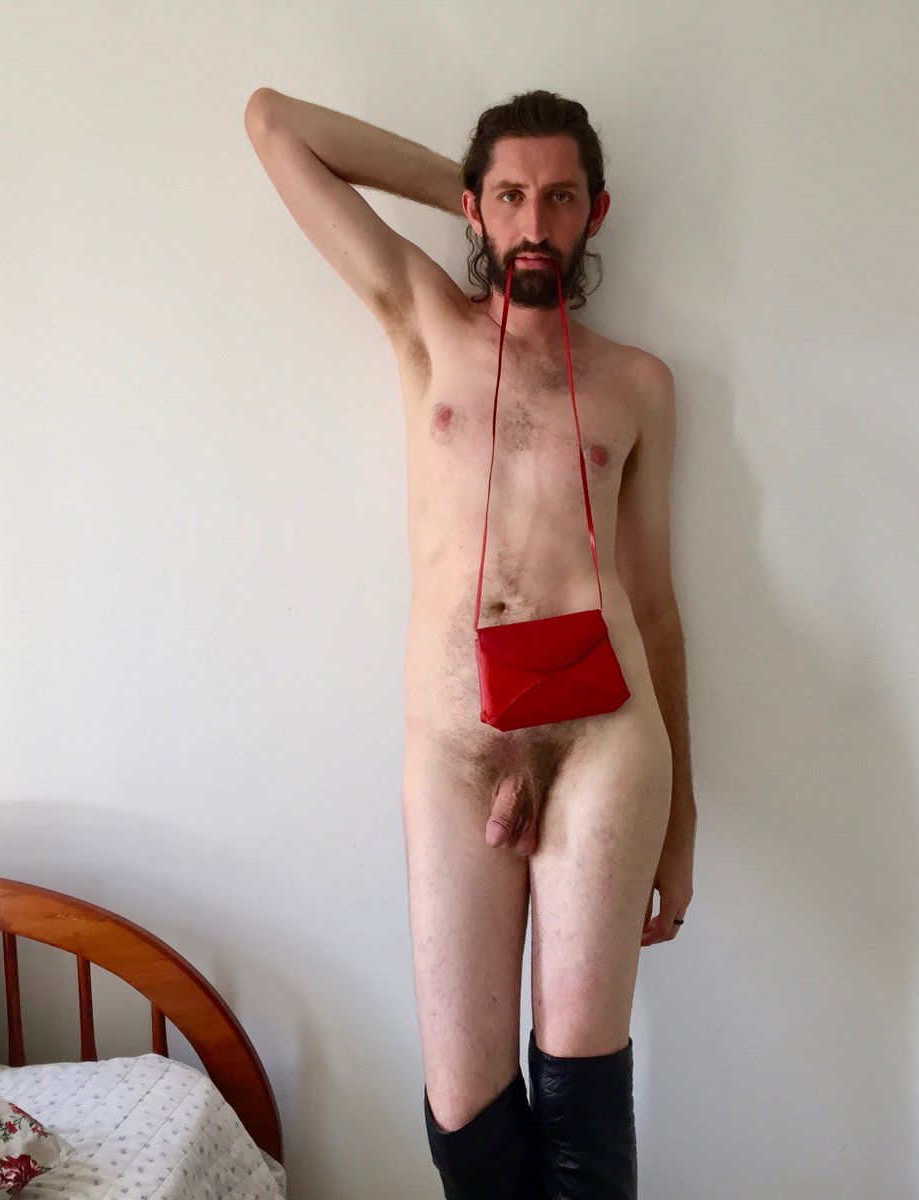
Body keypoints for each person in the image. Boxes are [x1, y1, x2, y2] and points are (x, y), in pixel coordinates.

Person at [244, 86, 695, 1199]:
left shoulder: (639, 384)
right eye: (510, 197)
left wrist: (681, 822)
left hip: (603, 748)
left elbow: (655, 604)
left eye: (560, 198)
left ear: (597, 211)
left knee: (582, 1093)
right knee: (465, 1113)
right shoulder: (425, 322)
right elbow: (273, 125)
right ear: (477, 207)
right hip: (455, 756)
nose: (536, 223)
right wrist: (461, 191)